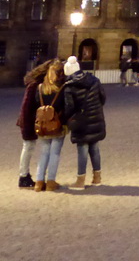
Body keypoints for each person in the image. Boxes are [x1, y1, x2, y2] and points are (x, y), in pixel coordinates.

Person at [61, 56, 106, 189]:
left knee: (82, 149)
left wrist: (67, 120)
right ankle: (97, 178)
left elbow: (69, 107)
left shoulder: (69, 87)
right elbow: (103, 98)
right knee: (95, 148)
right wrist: (95, 108)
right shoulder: (95, 80)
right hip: (96, 117)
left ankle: (80, 180)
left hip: (81, 121)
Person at [33, 59, 67, 192]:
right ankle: (51, 182)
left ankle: (39, 181)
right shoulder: (62, 88)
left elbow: (36, 105)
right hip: (57, 124)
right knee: (55, 153)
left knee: (44, 153)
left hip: (42, 125)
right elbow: (65, 107)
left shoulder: (40, 88)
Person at [16, 61, 49, 189]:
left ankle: (24, 176)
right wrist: (27, 126)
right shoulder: (34, 85)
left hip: (31, 121)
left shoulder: (37, 84)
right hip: (28, 122)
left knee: (29, 147)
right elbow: (26, 107)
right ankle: (23, 177)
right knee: (28, 147)